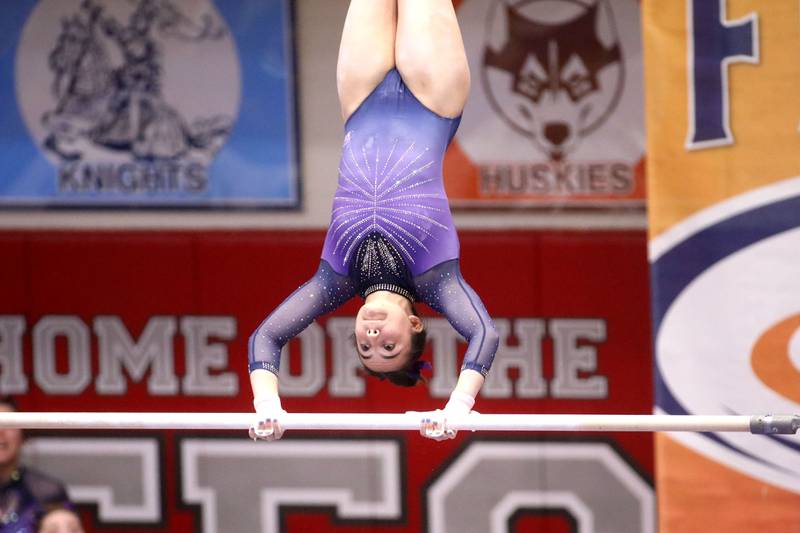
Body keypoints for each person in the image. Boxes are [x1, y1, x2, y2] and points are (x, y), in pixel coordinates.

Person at [248, 0, 499, 441]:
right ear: (416, 325)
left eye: (364, 346)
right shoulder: (437, 280)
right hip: (433, 99)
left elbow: (265, 337)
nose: (373, 334)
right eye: (388, 346)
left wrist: (267, 407)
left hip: (361, 100)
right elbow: (485, 334)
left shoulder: (336, 278)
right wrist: (459, 406)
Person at [0, 397, 73, 533]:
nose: (1, 432)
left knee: (63, 522)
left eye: (8, 424)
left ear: (22, 436)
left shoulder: (45, 491)